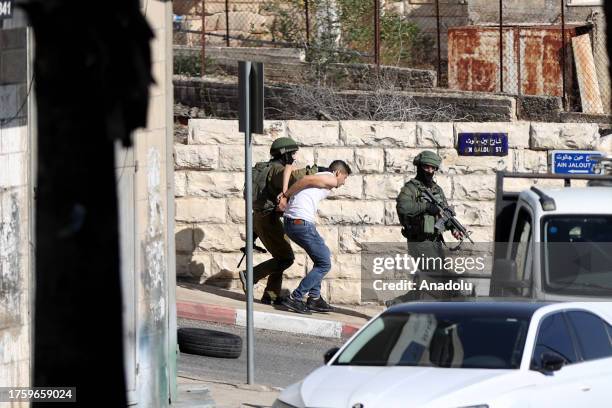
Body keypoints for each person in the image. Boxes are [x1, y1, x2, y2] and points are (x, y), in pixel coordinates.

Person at [239, 137, 320, 305]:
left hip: (259, 218)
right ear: (284, 154)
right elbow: (295, 178)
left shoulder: (261, 168)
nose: (294, 158)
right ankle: (250, 276)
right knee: (286, 258)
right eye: (292, 154)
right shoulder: (277, 170)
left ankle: (271, 295)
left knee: (279, 256)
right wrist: (316, 170)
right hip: (268, 219)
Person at [279, 160, 352, 314]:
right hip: (301, 223)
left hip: (294, 223)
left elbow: (294, 171)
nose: (343, 183)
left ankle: (315, 298)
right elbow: (305, 180)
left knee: (321, 258)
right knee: (324, 263)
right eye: (344, 178)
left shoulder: (320, 175)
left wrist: (286, 193)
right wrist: (285, 195)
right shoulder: (330, 177)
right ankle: (295, 298)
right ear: (338, 173)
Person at [391, 150, 462, 305]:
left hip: (435, 242)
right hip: (419, 241)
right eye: (426, 168)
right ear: (419, 167)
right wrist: (426, 207)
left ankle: (399, 303)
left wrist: (453, 228)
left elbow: (444, 213)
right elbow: (403, 207)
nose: (430, 171)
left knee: (431, 279)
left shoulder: (437, 190)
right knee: (435, 277)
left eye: (433, 169)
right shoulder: (410, 189)